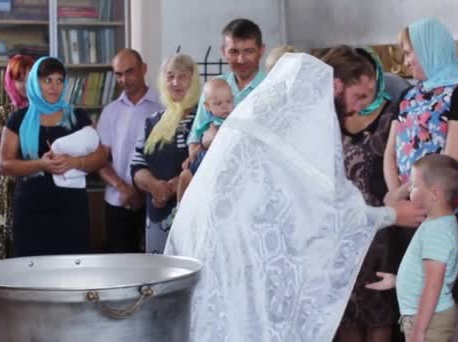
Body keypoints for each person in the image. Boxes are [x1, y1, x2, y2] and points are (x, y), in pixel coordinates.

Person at [164, 51, 425, 342]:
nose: (357, 108)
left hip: (217, 240)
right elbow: (328, 203)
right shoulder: (305, 121)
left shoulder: (271, 109)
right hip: (237, 246)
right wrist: (392, 214)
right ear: (337, 85)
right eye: (358, 96)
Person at [383, 18, 458, 341]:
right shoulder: (409, 96)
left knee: (445, 299)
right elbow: (391, 152)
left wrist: (401, 196)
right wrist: (398, 199)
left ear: (429, 50)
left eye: (410, 52)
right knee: (415, 293)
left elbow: (450, 162)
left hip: (446, 211)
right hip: (411, 209)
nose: (407, 60)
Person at [337, 46, 421, 342]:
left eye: (363, 95)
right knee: (343, 310)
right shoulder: (332, 118)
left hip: (383, 230)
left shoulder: (393, 114)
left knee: (379, 310)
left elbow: (408, 166)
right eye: (353, 97)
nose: (357, 105)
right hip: (342, 231)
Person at [0, 57, 107, 257]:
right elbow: (5, 164)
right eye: (47, 80)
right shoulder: (18, 119)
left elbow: (101, 156)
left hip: (71, 207)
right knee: (31, 271)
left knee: (73, 269)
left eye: (59, 80)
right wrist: (40, 164)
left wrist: (75, 162)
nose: (54, 86)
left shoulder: (77, 116)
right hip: (32, 207)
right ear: (35, 82)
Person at [368, 154, 458, 342]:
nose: (410, 189)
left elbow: (433, 285)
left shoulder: (437, 231)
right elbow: (429, 276)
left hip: (429, 320)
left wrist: (419, 330)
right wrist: (399, 280)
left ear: (435, 194)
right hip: (427, 316)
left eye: (414, 185)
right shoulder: (437, 223)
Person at [130, 53, 200, 253]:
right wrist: (154, 186)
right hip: (156, 215)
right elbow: (136, 166)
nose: (176, 82)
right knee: (159, 275)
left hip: (191, 216)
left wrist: (173, 187)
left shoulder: (204, 119)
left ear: (194, 80)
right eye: (170, 76)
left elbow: (208, 164)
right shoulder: (152, 121)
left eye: (184, 76)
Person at [97, 49, 164, 253]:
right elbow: (99, 159)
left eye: (129, 72)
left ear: (143, 69)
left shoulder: (164, 106)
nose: (124, 79)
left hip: (156, 201)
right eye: (118, 74)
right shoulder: (110, 111)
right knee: (120, 268)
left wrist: (145, 190)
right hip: (118, 201)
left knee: (155, 265)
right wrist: (123, 188)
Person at [187, 18, 265, 157]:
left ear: (261, 50)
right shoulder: (214, 87)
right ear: (223, 52)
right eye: (233, 51)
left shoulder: (272, 88)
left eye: (248, 51)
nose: (241, 59)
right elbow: (195, 136)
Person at [0, 54, 34, 260]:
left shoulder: (45, 110)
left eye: (29, 78)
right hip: (12, 188)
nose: (24, 85)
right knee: (12, 248)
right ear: (10, 81)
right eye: (19, 79)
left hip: (41, 184)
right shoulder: (4, 113)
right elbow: (2, 156)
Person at [176, 78, 233, 202]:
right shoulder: (207, 122)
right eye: (218, 104)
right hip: (203, 159)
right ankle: (179, 208)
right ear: (207, 106)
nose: (225, 107)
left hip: (220, 164)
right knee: (185, 176)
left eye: (229, 101)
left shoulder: (233, 120)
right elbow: (202, 143)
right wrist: (192, 156)